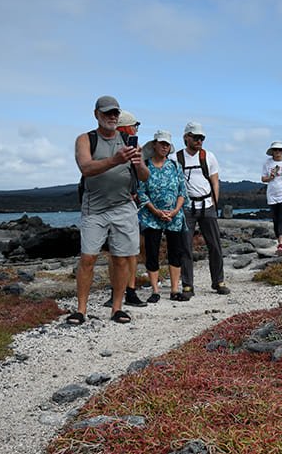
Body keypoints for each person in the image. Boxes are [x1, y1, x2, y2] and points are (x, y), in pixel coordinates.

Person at [68, 95, 149, 325]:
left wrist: (138, 163)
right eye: (107, 113)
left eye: (115, 113)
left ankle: (117, 308)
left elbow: (145, 177)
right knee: (88, 258)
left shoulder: (128, 140)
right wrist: (115, 160)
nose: (112, 117)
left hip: (123, 207)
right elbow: (86, 168)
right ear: (97, 114)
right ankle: (81, 310)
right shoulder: (86, 139)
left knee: (121, 259)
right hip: (94, 209)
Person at [173, 121, 230, 297]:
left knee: (215, 245)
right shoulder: (176, 158)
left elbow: (215, 181)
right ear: (186, 137)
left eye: (202, 138)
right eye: (196, 137)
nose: (199, 141)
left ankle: (218, 281)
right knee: (185, 247)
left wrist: (214, 203)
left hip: (207, 206)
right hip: (186, 208)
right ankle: (187, 286)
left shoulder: (208, 157)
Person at [136, 130, 190, 302]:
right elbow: (141, 192)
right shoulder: (145, 166)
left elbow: (182, 191)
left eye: (167, 144)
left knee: (176, 252)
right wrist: (155, 211)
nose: (165, 147)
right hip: (151, 217)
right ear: (154, 145)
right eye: (162, 143)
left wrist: (174, 211)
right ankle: (155, 291)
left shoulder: (175, 166)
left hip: (174, 216)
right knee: (152, 252)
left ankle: (174, 290)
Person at [102, 110, 147, 309]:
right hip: (111, 204)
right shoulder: (109, 149)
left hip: (124, 204)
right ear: (126, 128)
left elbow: (141, 175)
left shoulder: (133, 149)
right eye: (134, 126)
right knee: (119, 252)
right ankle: (123, 291)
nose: (136, 130)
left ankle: (127, 291)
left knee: (128, 251)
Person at [261, 141, 282, 255]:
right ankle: (279, 242)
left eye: (279, 150)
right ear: (272, 152)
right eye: (275, 150)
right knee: (275, 220)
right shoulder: (267, 163)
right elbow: (263, 179)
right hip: (272, 194)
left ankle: (281, 244)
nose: (277, 152)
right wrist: (270, 177)